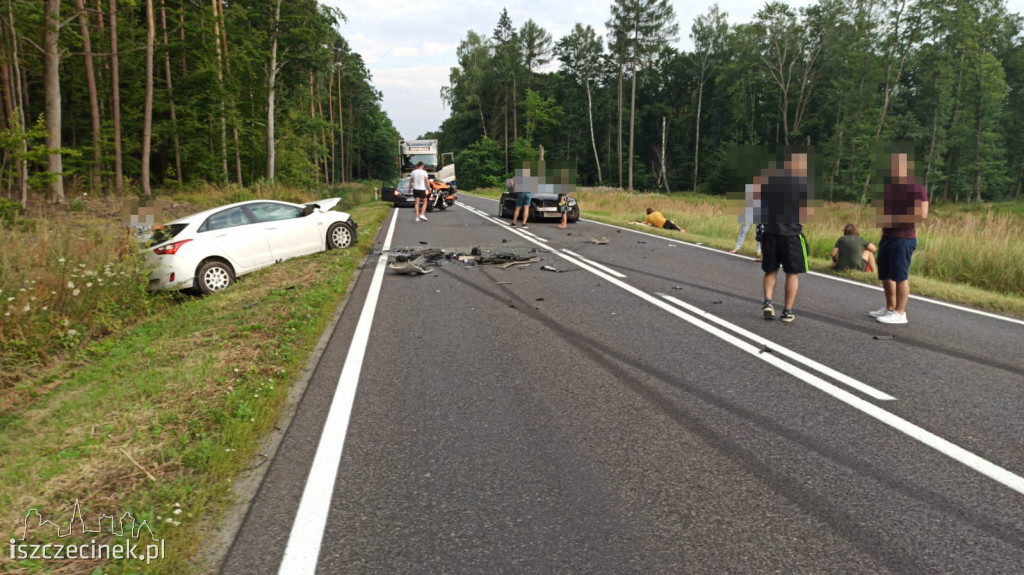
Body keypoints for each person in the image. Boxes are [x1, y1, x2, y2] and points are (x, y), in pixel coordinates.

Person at [870, 152, 928, 325]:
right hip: (887, 236)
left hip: (903, 238)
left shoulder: (915, 186)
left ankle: (900, 313)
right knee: (885, 275)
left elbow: (922, 214)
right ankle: (890, 308)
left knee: (900, 276)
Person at [760, 150, 811, 323]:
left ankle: (768, 302)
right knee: (792, 273)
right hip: (791, 234)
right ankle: (787, 311)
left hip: (771, 232)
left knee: (770, 270)